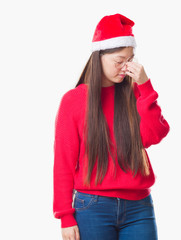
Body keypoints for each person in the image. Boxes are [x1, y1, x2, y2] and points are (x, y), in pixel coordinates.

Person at [53, 13, 170, 240]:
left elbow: (153, 135)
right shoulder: (74, 101)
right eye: (119, 61)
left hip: (139, 206)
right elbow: (63, 162)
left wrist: (145, 87)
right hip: (92, 207)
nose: (125, 67)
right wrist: (65, 216)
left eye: (130, 59)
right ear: (99, 57)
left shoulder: (135, 94)